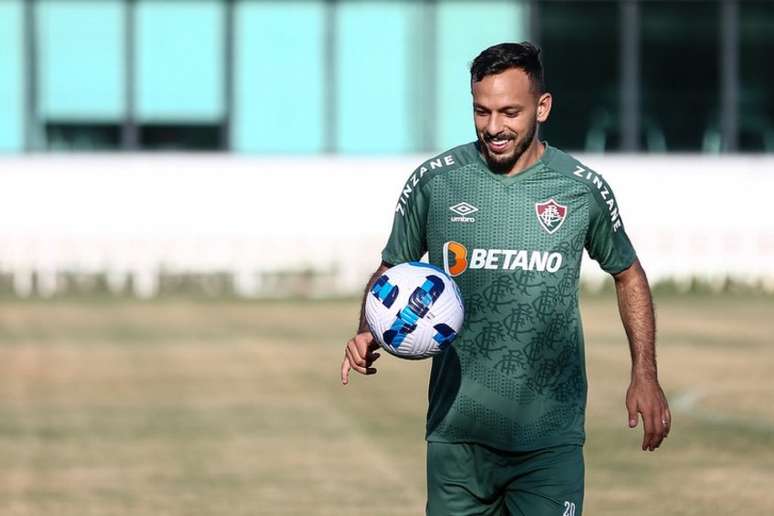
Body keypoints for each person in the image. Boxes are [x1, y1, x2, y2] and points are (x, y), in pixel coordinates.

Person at [340, 41, 670, 516]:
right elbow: (392, 270)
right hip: (457, 439)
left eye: (509, 112)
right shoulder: (435, 182)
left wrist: (645, 374)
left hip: (549, 442)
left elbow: (628, 272)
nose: (494, 127)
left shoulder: (580, 188)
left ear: (543, 107)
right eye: (481, 111)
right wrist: (369, 329)